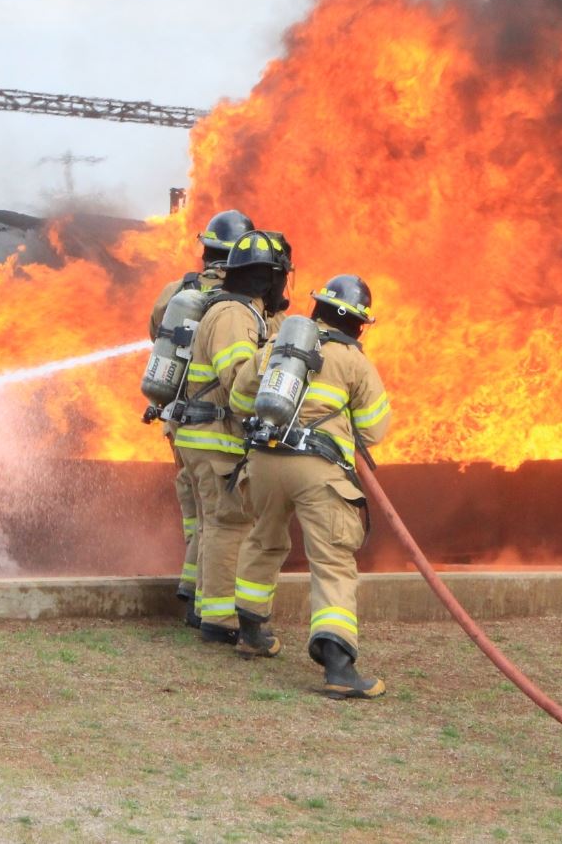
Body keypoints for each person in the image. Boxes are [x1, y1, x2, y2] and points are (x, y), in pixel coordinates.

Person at [230, 274, 391, 698]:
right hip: (317, 468)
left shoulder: (277, 346)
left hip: (264, 462)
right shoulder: (352, 360)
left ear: (317, 307)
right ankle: (339, 667)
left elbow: (240, 400)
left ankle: (250, 632)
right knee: (332, 561)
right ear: (358, 323)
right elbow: (374, 430)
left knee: (263, 540)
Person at [173, 229, 292, 645]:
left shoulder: (234, 310)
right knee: (229, 525)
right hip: (216, 437)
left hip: (204, 435)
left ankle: (207, 608)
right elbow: (238, 380)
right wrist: (276, 351)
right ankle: (221, 619)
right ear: (268, 277)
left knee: (215, 525)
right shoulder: (234, 316)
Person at [147, 209, 254, 627]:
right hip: (218, 424)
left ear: (206, 250)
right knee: (219, 516)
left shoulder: (177, 292)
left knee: (195, 508)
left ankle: (191, 586)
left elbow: (156, 334)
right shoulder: (239, 306)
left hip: (178, 421)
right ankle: (203, 601)